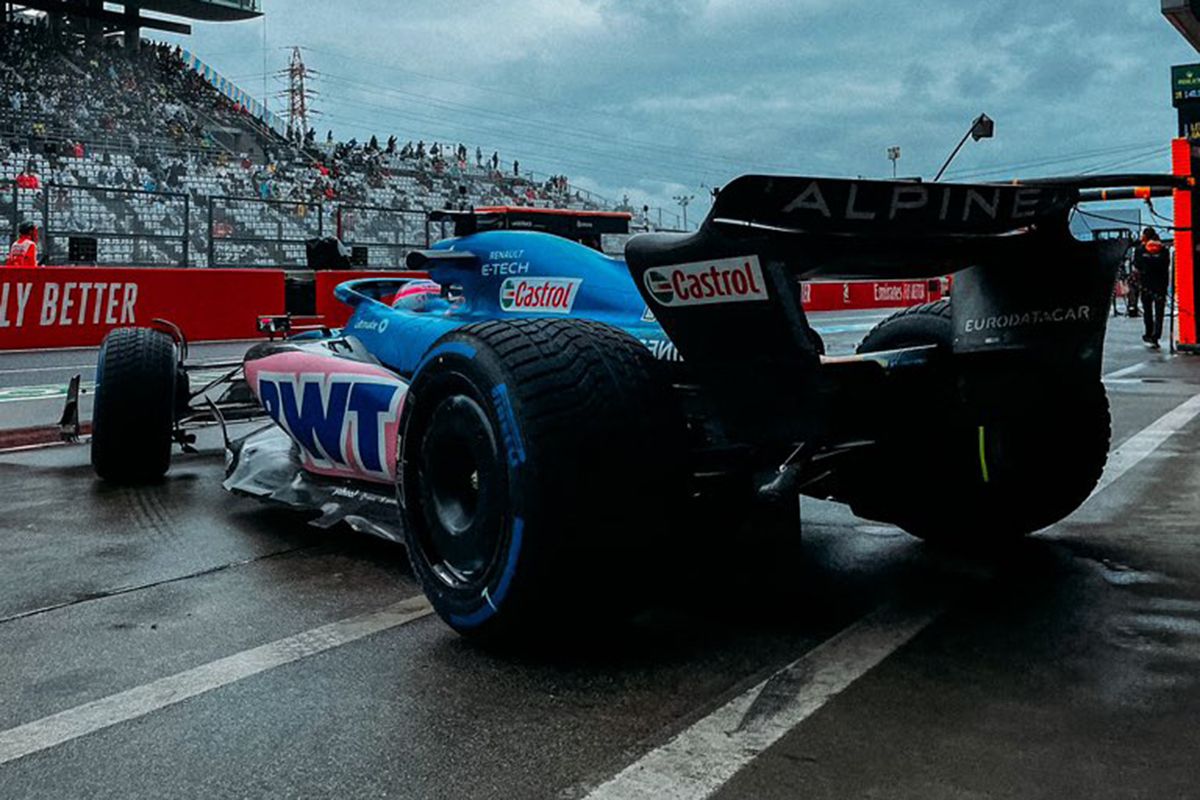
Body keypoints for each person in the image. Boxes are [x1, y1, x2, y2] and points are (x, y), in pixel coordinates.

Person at [1132, 227, 1171, 348]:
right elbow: (1166, 265)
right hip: (1160, 285)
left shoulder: (1140, 250)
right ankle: (1156, 335)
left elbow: (1136, 265)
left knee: (1147, 310)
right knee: (1159, 311)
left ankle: (1149, 333)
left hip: (1145, 284)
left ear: (1145, 237)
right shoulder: (1164, 249)